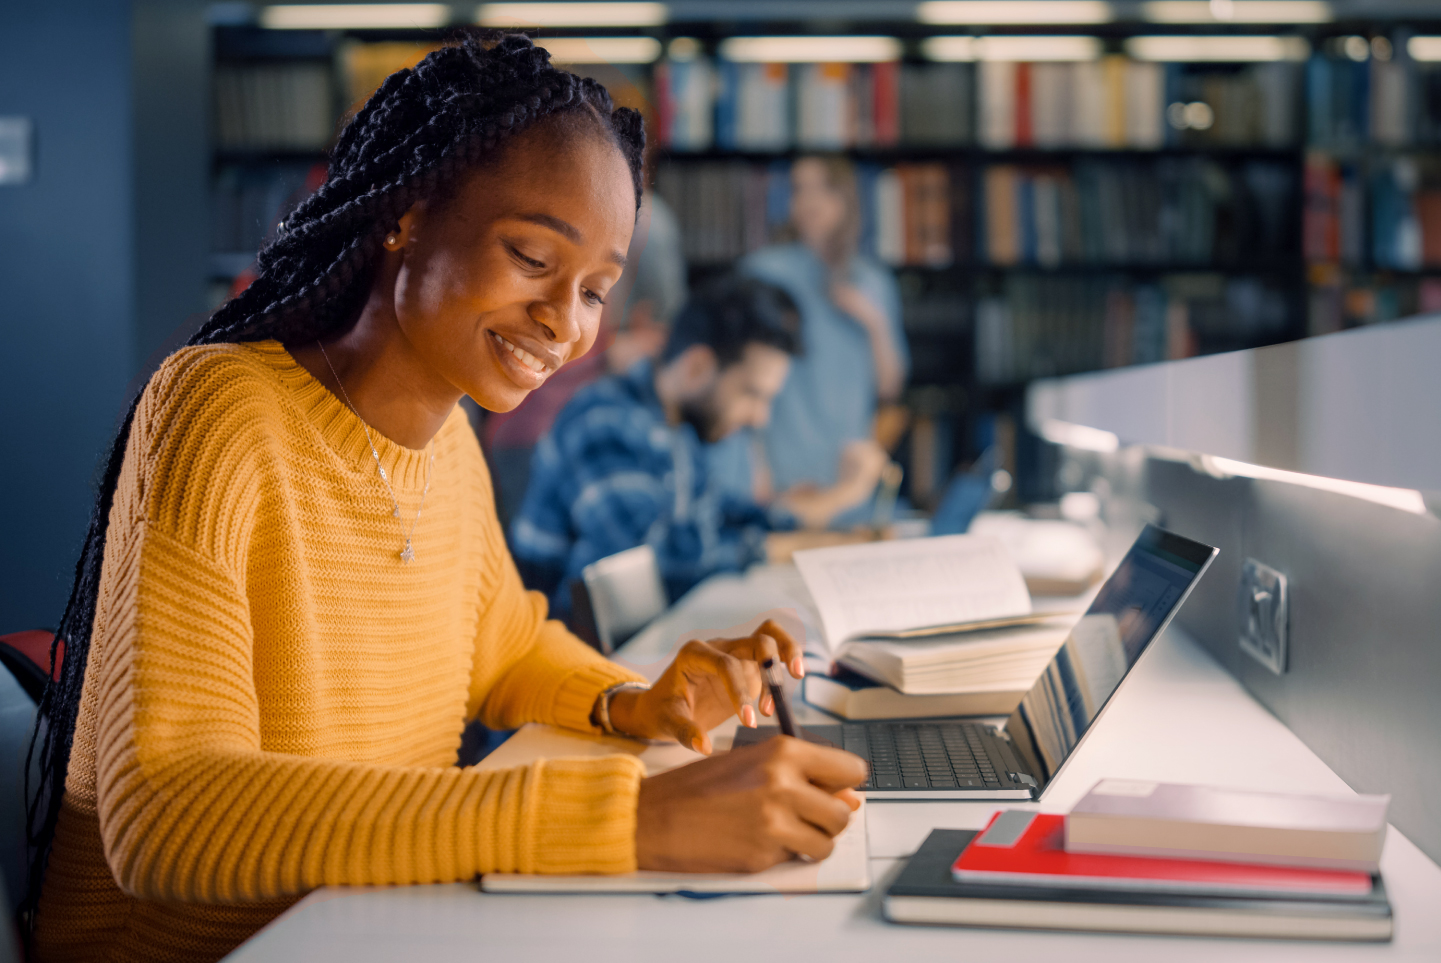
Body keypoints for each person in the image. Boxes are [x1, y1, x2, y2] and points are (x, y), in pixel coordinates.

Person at [24, 36, 864, 963]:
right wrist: (621, 817)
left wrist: (634, 700)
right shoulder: (220, 411)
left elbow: (502, 648)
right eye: (532, 256)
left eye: (595, 290)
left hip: (364, 925)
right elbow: (168, 817)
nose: (565, 322)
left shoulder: (449, 440)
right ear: (406, 216)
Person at [482, 190, 686, 527]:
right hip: (548, 427)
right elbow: (662, 331)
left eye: (594, 293)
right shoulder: (645, 219)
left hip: (524, 424)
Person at [737, 156, 908, 518]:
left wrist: (874, 323)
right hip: (783, 469)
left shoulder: (872, 282)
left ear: (846, 198)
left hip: (848, 471)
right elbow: (738, 379)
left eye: (824, 188)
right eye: (800, 189)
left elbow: (890, 387)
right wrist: (754, 466)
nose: (811, 201)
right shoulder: (764, 272)